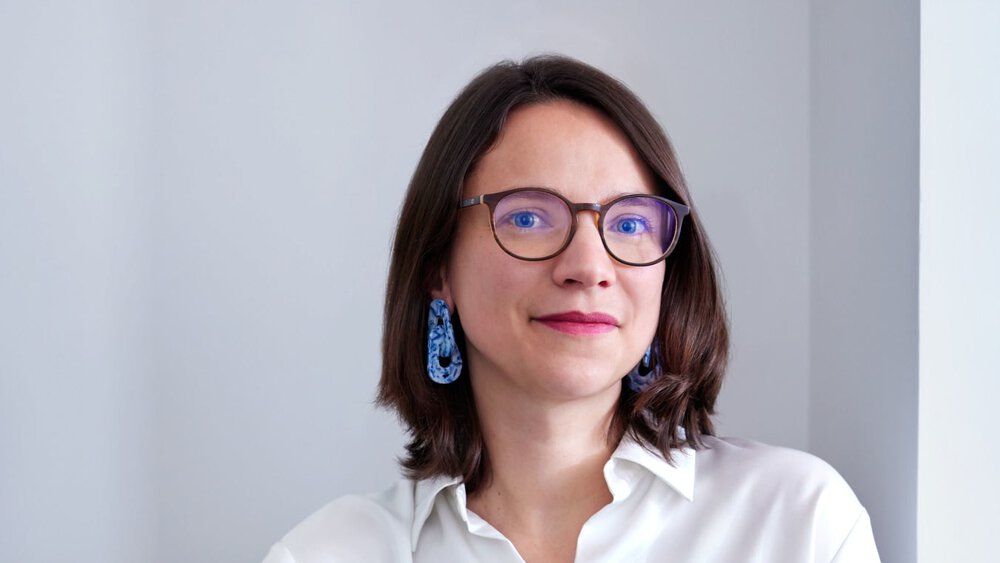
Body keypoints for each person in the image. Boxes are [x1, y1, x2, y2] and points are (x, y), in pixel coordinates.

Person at [262, 55, 880, 563]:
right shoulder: (327, 553)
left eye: (631, 221)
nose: (589, 266)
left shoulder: (798, 523)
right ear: (437, 269)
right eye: (528, 217)